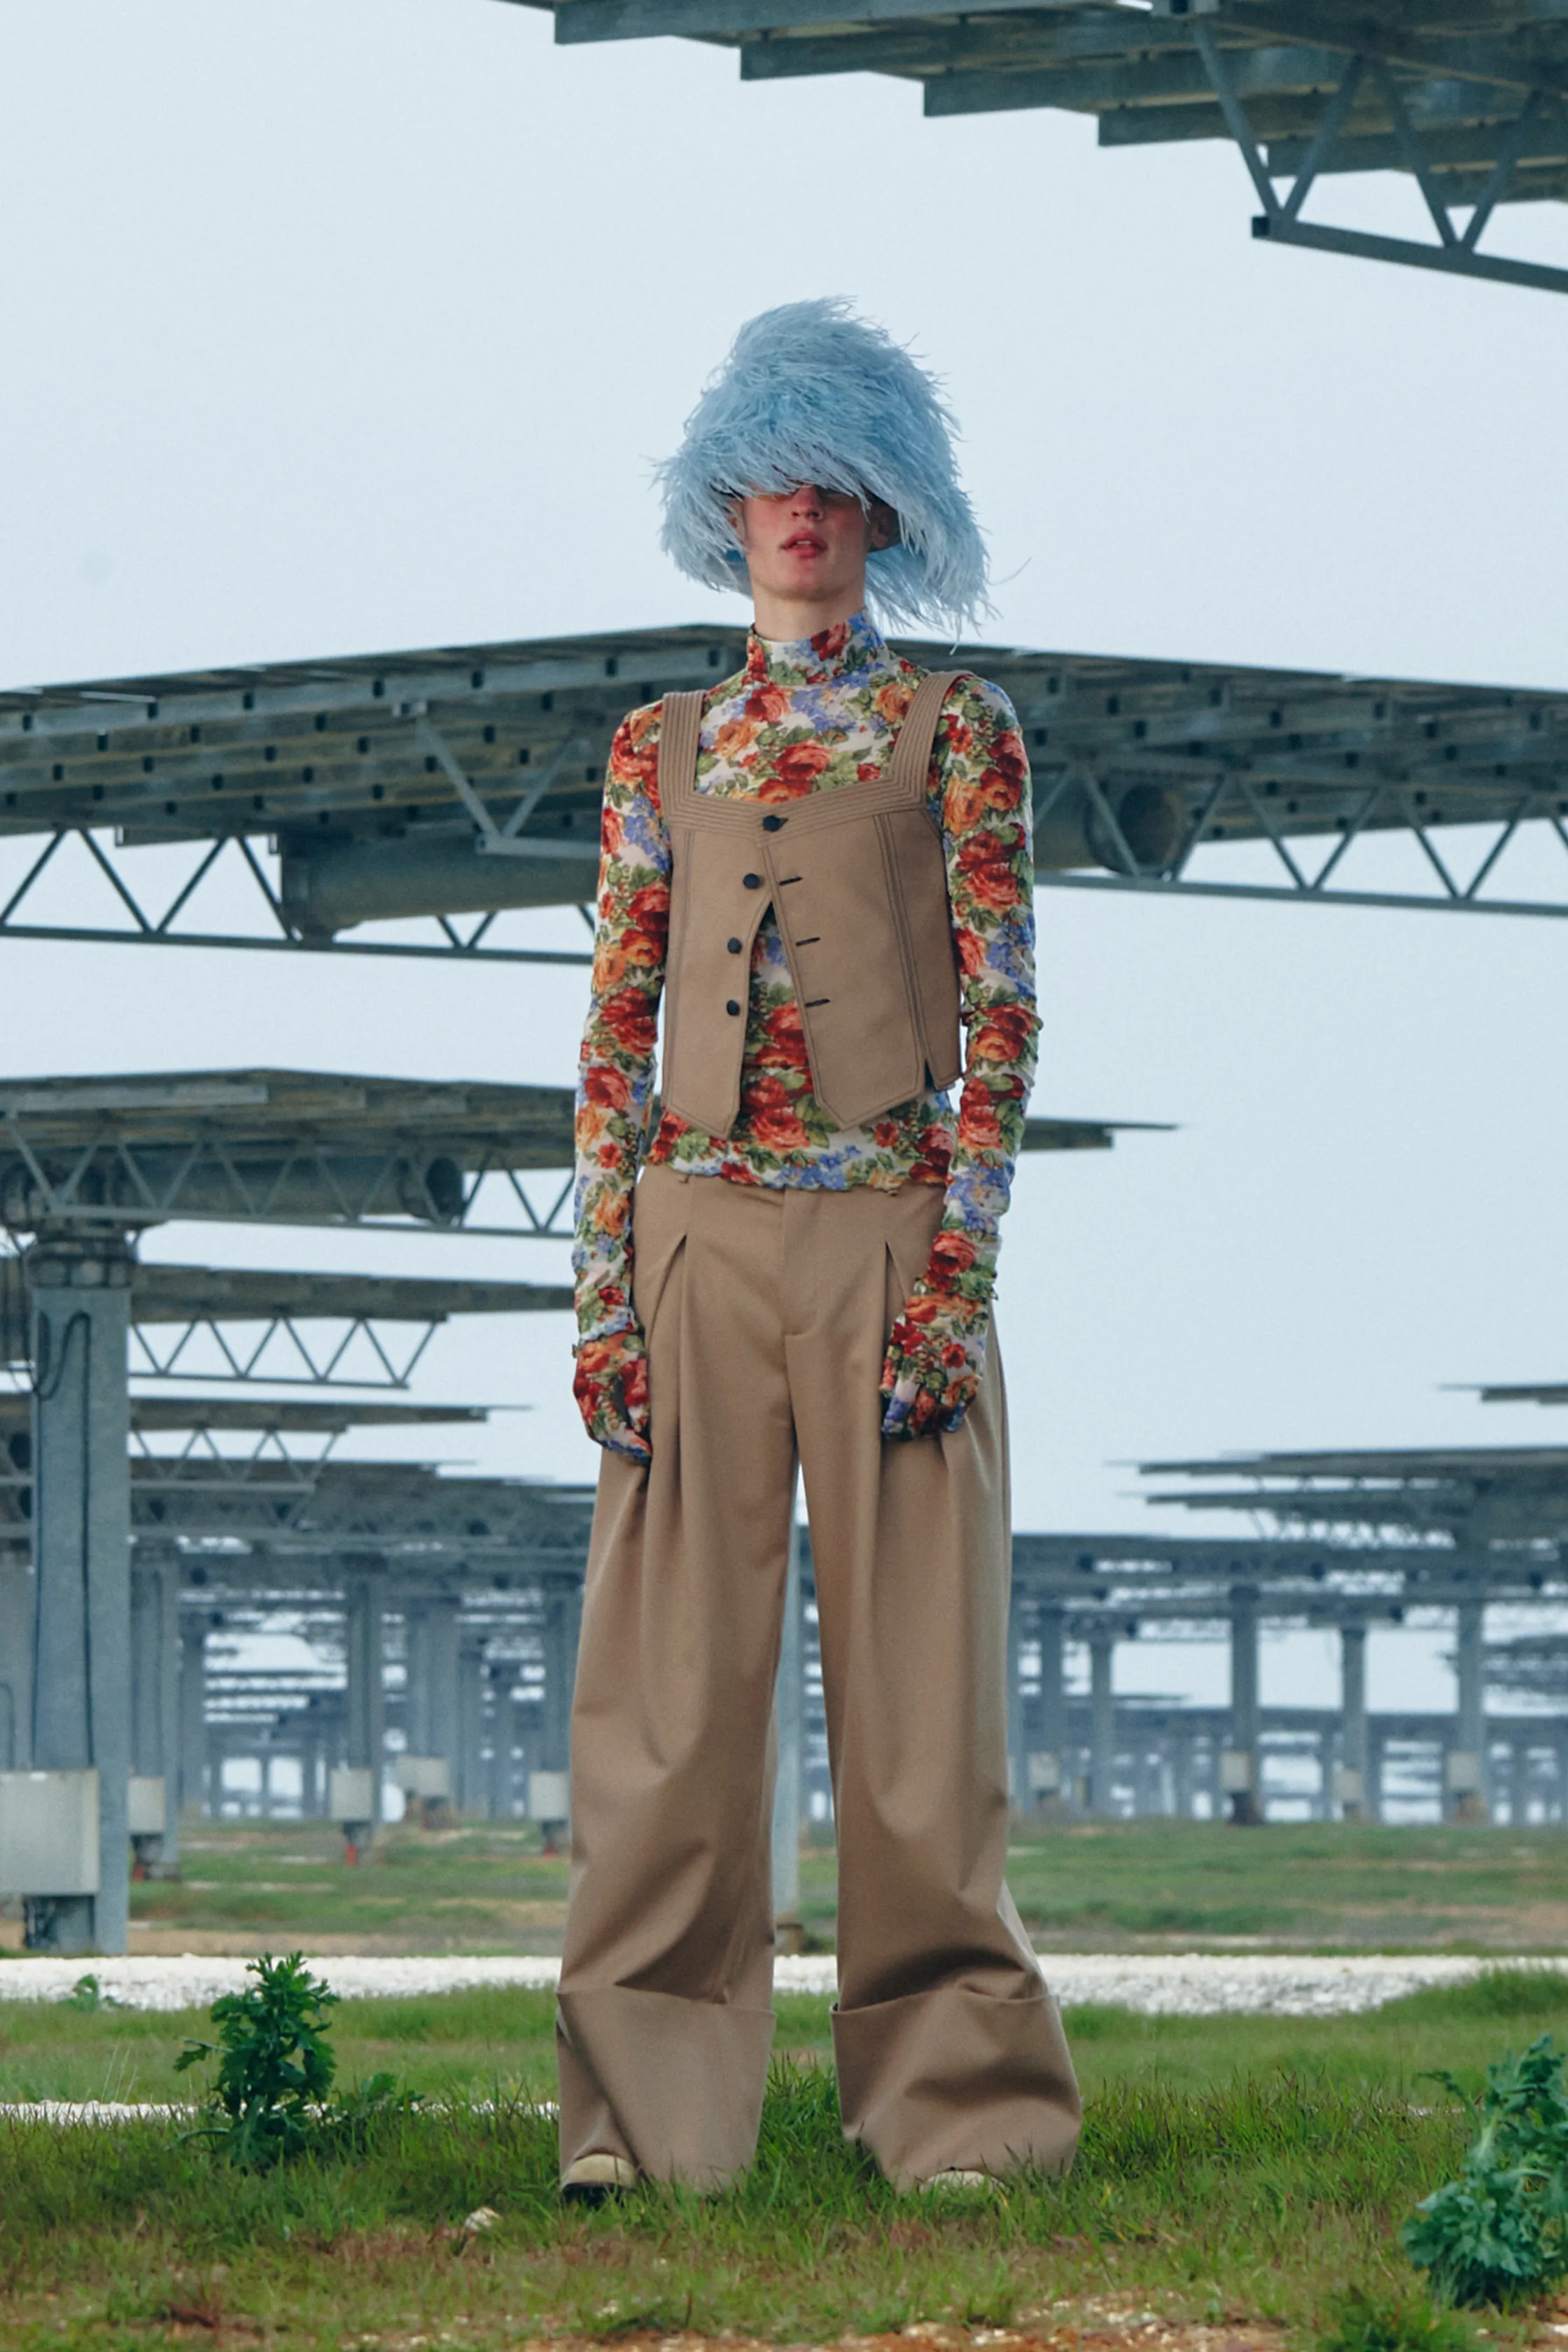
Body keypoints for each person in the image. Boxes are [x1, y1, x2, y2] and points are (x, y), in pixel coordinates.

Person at [558, 298, 1081, 2199]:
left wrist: (961, 1276)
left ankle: (965, 2123)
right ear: (726, 508)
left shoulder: (961, 733)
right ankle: (643, 2138)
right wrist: (602, 1296)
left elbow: (1005, 1018)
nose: (803, 511)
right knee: (667, 1713)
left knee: (921, 1714)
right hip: (692, 1237)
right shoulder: (660, 749)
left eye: (838, 482)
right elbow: (615, 1033)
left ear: (885, 511)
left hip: (890, 1238)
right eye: (773, 480)